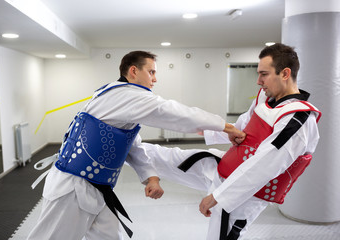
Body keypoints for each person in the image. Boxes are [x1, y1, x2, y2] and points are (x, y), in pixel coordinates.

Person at [27, 50, 244, 240]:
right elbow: (174, 112)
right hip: (73, 187)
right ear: (133, 71)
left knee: (110, 236)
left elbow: (131, 143)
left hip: (97, 188)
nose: (155, 79)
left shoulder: (115, 94)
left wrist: (151, 176)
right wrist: (225, 127)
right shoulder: (127, 95)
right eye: (151, 72)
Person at [142, 43, 322, 239]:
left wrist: (219, 197)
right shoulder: (266, 97)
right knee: (167, 156)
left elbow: (266, 165)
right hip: (225, 166)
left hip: (244, 195)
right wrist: (212, 130)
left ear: (285, 74)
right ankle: (126, 148)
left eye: (264, 74)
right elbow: (244, 125)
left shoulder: (298, 120)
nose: (258, 81)